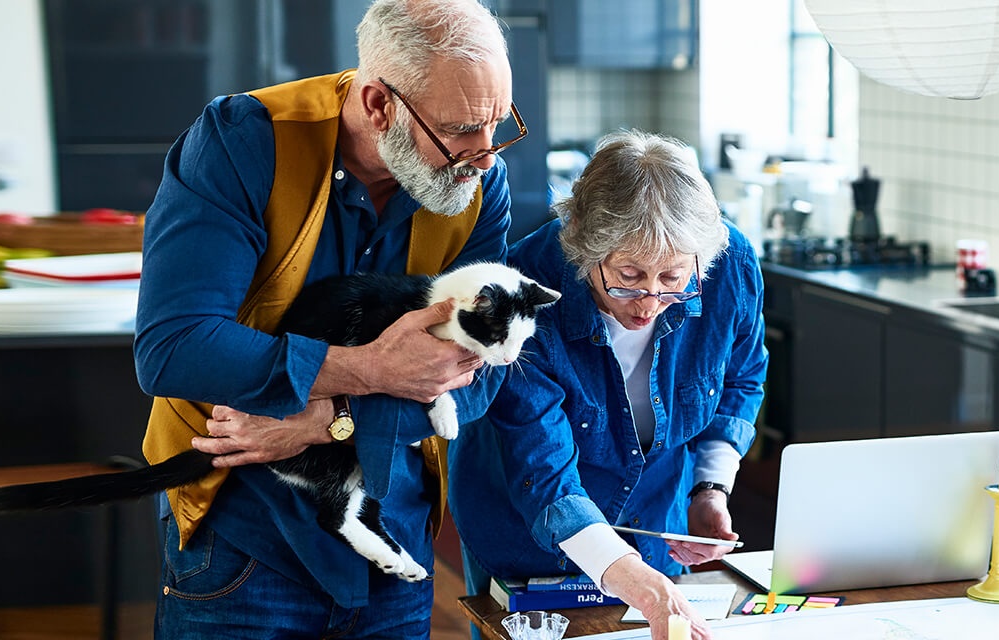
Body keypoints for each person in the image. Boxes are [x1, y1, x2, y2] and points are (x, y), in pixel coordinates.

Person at [132, 0, 520, 635]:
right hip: (244, 533)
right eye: (459, 130)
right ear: (378, 104)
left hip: (393, 538)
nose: (484, 157)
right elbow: (175, 348)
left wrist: (329, 420)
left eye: (499, 125)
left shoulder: (480, 186)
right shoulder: (245, 141)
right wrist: (368, 369)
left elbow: (481, 377)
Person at [449, 129, 768, 640]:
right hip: (529, 533)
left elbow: (741, 378)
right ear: (583, 246)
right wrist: (634, 580)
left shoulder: (729, 265)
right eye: (629, 276)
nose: (647, 302)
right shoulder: (522, 291)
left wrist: (709, 489)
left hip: (655, 516)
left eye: (672, 280)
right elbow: (541, 467)